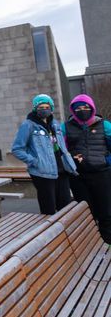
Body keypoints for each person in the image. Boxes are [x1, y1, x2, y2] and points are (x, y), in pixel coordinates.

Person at [11, 94, 77, 215]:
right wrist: (35, 161)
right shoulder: (28, 125)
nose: (44, 109)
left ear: (51, 108)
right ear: (35, 108)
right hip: (42, 173)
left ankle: (63, 233)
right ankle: (50, 233)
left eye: (47, 106)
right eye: (41, 107)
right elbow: (17, 149)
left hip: (61, 170)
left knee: (65, 207)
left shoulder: (55, 124)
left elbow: (61, 145)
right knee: (48, 209)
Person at [61, 94, 111, 244]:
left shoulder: (105, 125)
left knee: (106, 210)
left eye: (86, 107)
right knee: (85, 211)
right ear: (73, 110)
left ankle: (107, 241)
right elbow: (60, 149)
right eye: (78, 108)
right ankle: (90, 242)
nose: (82, 110)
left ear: (92, 108)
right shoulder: (65, 127)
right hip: (78, 176)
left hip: (102, 174)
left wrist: (107, 160)